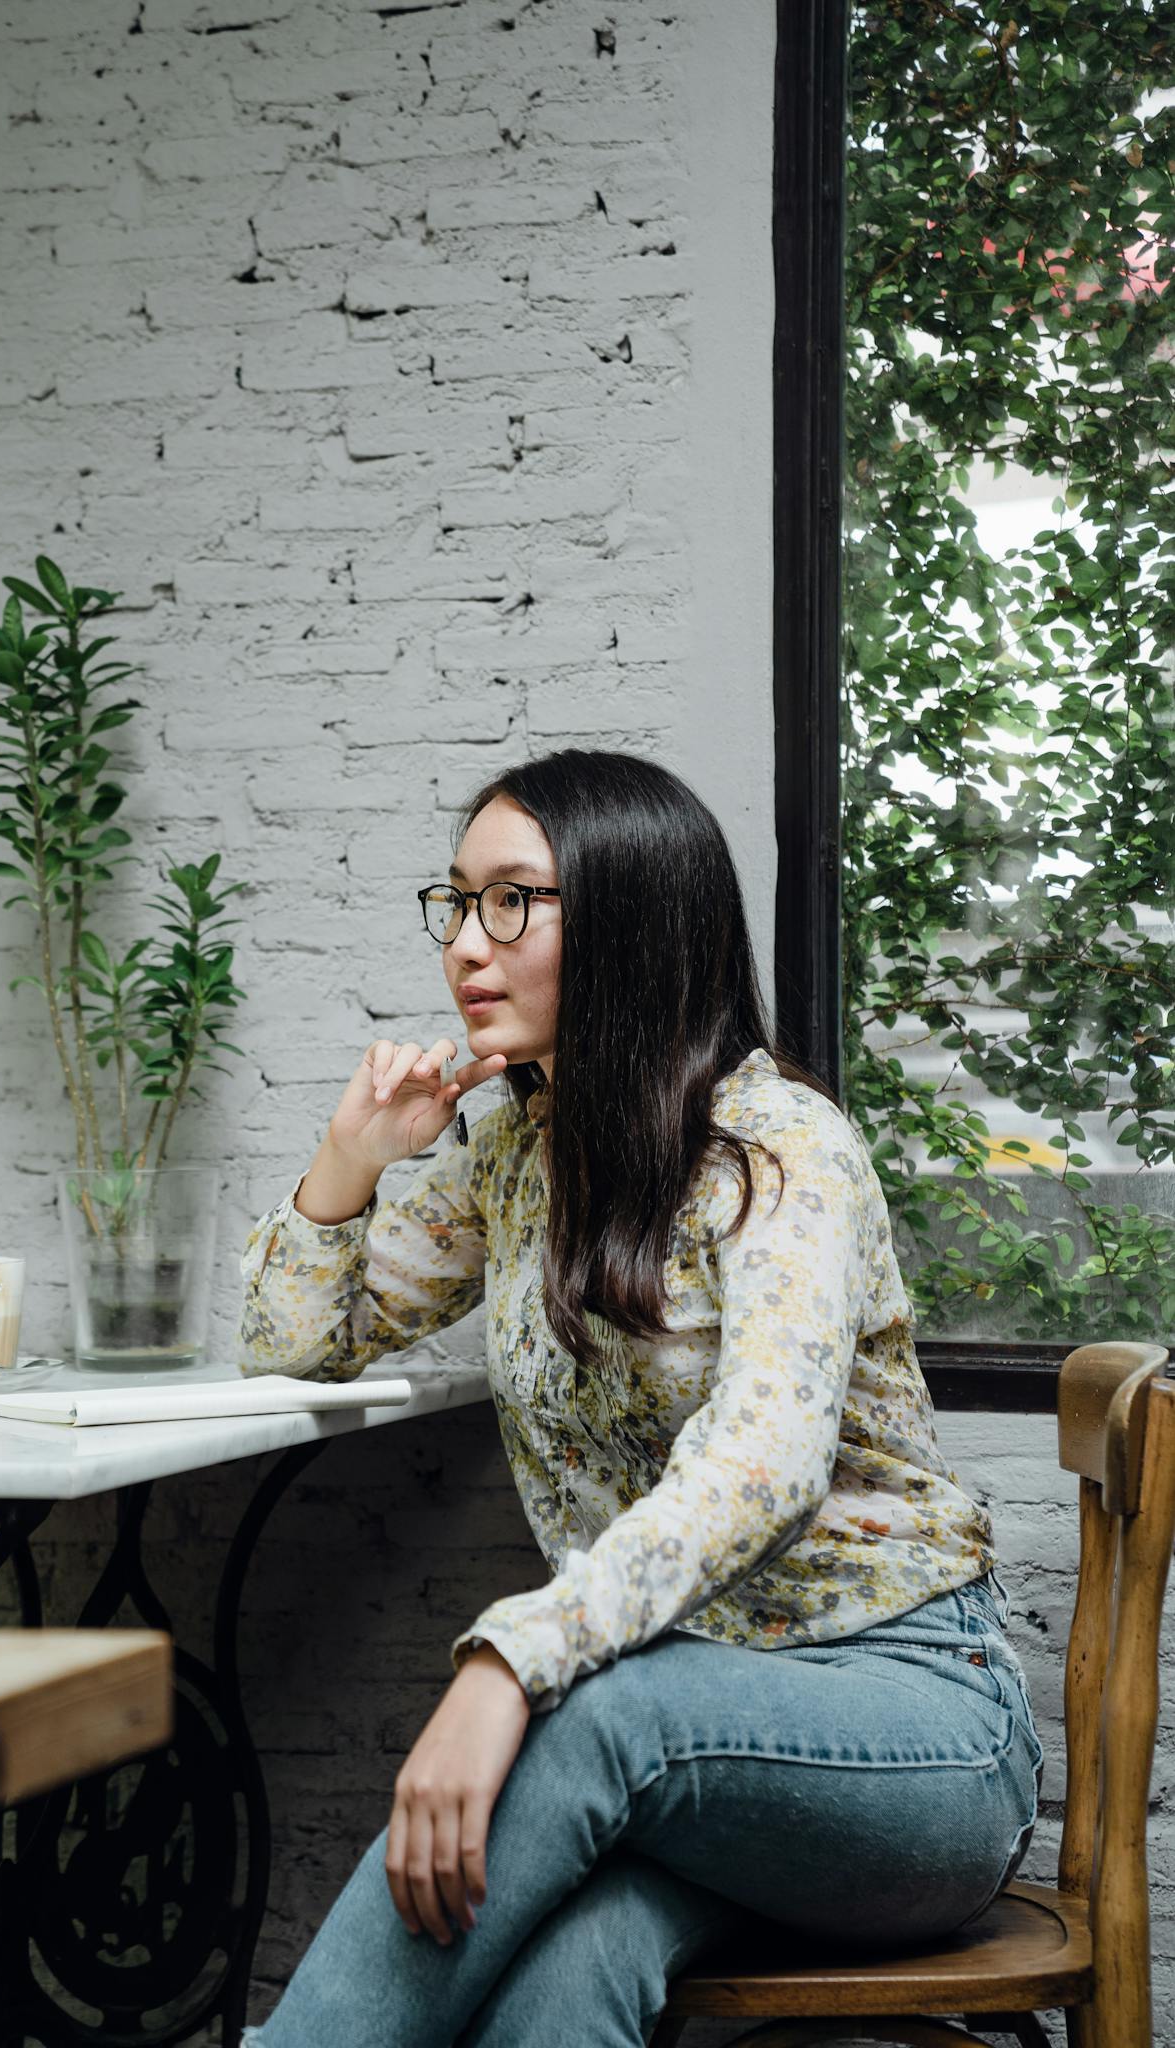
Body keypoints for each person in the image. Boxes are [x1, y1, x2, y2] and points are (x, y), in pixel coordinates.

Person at [237, 748, 1044, 2048]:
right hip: (683, 1760)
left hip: (913, 1735)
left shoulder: (784, 1153)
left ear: (632, 923)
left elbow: (759, 1467)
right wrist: (349, 1163)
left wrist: (507, 1665)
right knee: (561, 1989)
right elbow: (289, 1351)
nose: (467, 945)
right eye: (456, 902)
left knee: (590, 1711)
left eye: (514, 901)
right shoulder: (512, 1149)